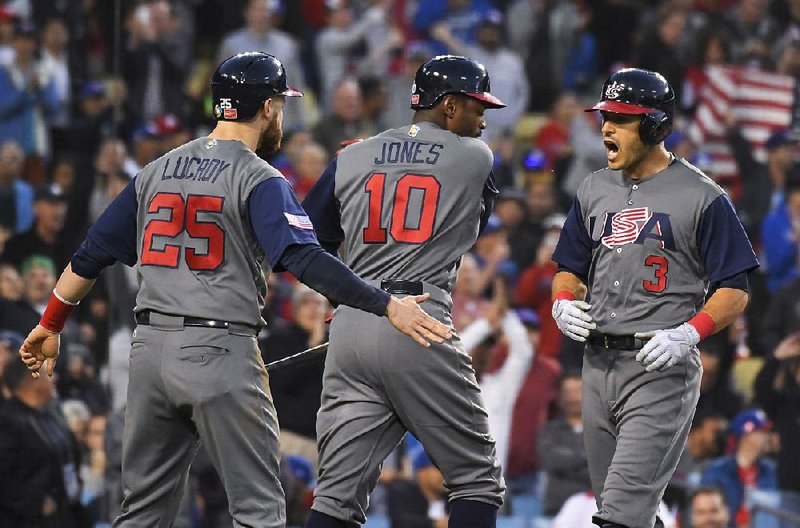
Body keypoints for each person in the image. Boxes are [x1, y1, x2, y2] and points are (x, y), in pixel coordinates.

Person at [17, 52, 451, 528]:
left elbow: (89, 256)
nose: (282, 114)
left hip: (150, 355)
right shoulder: (258, 176)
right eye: (281, 104)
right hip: (218, 349)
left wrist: (49, 325)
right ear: (267, 108)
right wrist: (385, 304)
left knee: (141, 515)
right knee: (260, 512)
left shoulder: (156, 170)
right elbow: (302, 259)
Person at [301, 54, 507, 528]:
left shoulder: (350, 153)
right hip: (419, 317)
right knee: (475, 479)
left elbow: (308, 242)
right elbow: (475, 226)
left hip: (353, 322)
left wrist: (346, 297)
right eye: (477, 109)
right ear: (450, 107)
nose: (481, 121)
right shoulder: (475, 156)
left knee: (335, 497)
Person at [550, 68, 759, 528]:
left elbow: (736, 289)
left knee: (619, 517)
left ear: (655, 125)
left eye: (621, 119)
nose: (607, 126)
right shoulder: (593, 188)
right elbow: (568, 267)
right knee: (626, 514)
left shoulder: (703, 196)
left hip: (658, 367)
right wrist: (563, 300)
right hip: (597, 364)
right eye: (606, 115)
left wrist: (689, 333)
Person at [700, 409, 777, 527]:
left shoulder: (772, 471)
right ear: (746, 436)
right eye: (763, 432)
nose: (768, 437)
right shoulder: (717, 471)